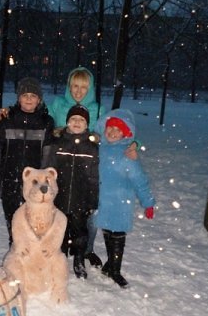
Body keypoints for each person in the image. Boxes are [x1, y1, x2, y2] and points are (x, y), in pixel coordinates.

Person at [0, 77, 55, 243]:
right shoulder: (6, 122)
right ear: (19, 98)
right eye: (25, 95)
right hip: (10, 180)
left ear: (39, 99)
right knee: (14, 223)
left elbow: (48, 156)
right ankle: (15, 252)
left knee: (33, 223)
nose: (29, 99)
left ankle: (31, 256)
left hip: (34, 186)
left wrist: (46, 183)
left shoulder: (46, 123)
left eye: (33, 95)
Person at [95, 109, 155, 288]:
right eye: (110, 128)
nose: (112, 132)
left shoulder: (128, 155)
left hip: (121, 204)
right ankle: (109, 266)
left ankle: (115, 270)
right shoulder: (99, 149)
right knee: (107, 232)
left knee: (118, 235)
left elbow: (140, 180)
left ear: (126, 133)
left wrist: (148, 202)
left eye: (118, 129)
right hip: (103, 201)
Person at [44, 104, 100, 279]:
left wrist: (92, 201)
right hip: (59, 197)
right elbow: (49, 170)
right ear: (67, 122)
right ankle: (58, 259)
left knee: (80, 233)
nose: (77, 122)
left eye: (81, 120)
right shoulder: (58, 143)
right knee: (59, 230)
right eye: (73, 119)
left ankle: (79, 260)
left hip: (80, 199)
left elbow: (93, 177)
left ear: (87, 124)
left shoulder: (91, 148)